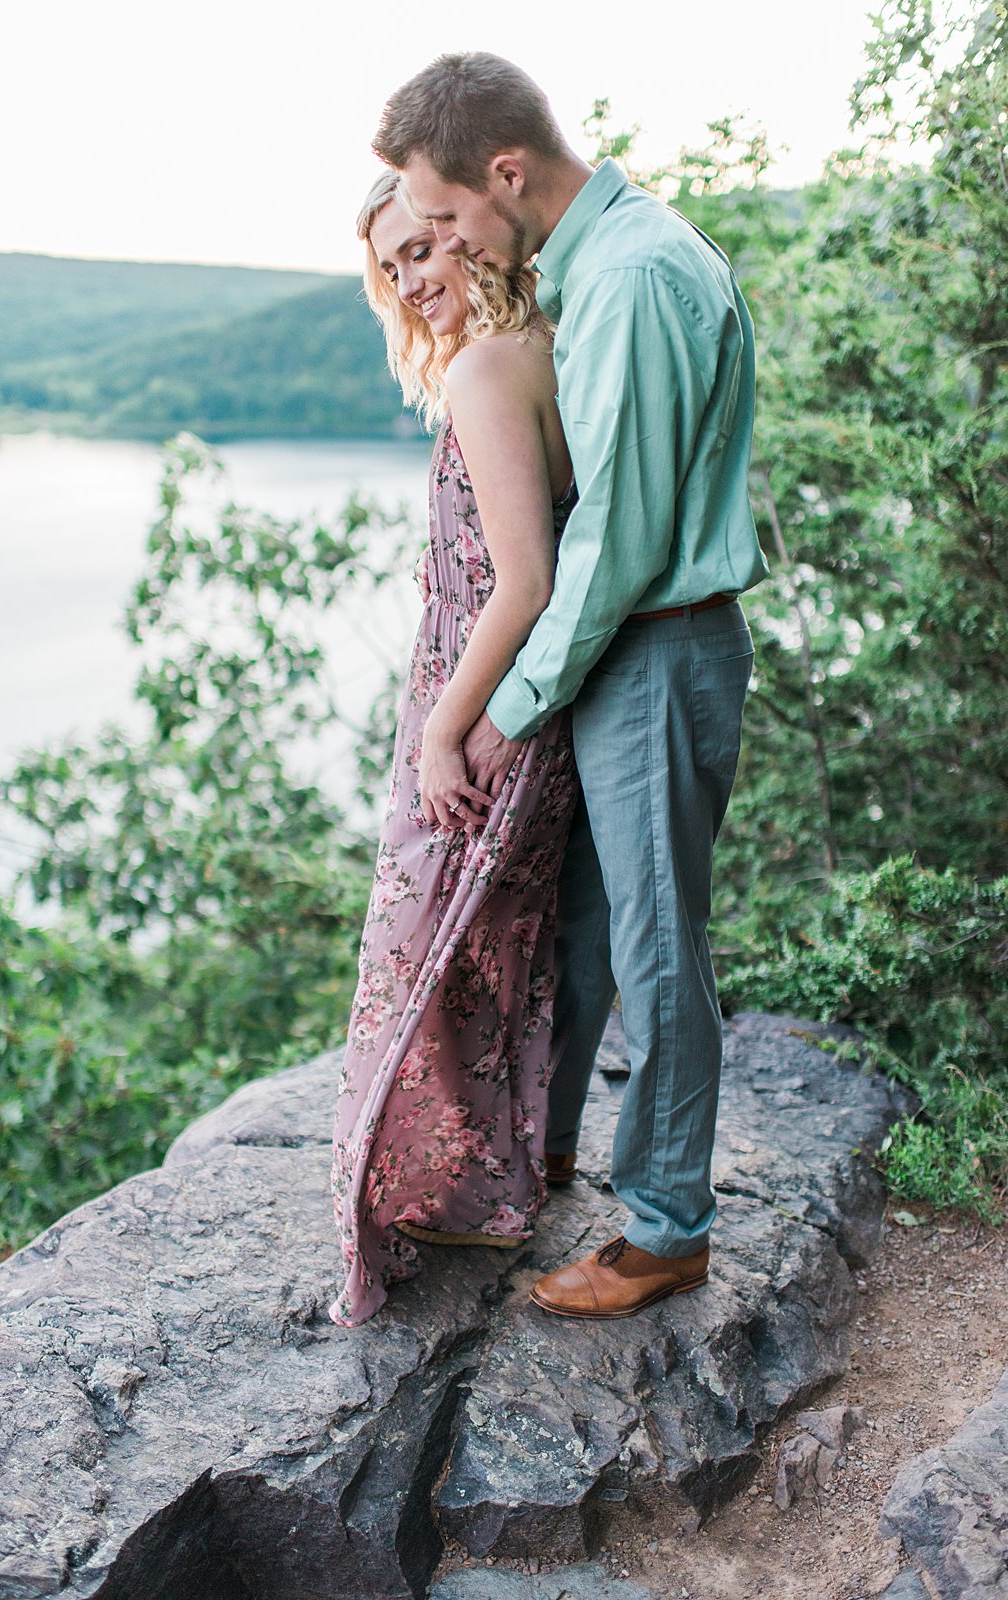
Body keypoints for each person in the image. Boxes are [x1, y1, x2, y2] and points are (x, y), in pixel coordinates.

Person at [373, 53, 771, 1320]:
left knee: (656, 949)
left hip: (656, 645)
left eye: (442, 219)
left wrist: (502, 708)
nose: (439, 242)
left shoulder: (637, 274)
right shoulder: (596, 269)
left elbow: (621, 541)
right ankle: (540, 1151)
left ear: (507, 171)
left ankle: (664, 1230)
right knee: (592, 929)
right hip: (624, 653)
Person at [328, 172, 580, 1328]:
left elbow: (520, 579)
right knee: (486, 951)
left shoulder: (487, 368)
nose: (412, 281)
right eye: (392, 266)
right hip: (511, 703)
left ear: (468, 233)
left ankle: (410, 1201)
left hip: (479, 712)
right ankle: (483, 1189)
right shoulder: (540, 346)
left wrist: (440, 730)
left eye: (424, 249)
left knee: (421, 946)